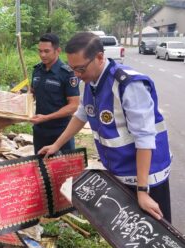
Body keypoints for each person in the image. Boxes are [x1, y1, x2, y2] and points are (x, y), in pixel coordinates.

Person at [39, 32, 172, 222]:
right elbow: (81, 115)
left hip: (146, 177)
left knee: (155, 233)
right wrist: (56, 145)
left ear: (100, 57)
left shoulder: (128, 85)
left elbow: (144, 139)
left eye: (81, 69)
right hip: (118, 171)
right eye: (73, 69)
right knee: (126, 230)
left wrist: (143, 191)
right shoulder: (92, 81)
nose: (77, 75)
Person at [30, 33, 80, 154]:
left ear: (57, 51)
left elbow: (73, 106)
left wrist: (46, 118)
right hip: (40, 131)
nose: (42, 55)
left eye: (46, 51)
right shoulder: (37, 70)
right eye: (40, 51)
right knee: (42, 168)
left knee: (64, 170)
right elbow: (32, 93)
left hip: (61, 132)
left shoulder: (67, 73)